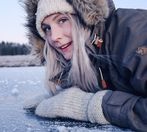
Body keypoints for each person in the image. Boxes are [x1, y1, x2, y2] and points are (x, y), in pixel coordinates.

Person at [22, 0, 147, 131]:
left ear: (85, 17)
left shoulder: (132, 32)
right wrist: (59, 98)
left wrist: (89, 106)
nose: (54, 37)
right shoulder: (77, 54)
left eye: (62, 20)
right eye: (47, 28)